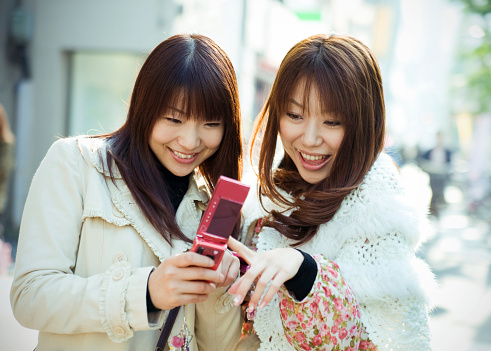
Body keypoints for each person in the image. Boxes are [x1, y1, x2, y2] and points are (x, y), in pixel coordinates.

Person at [10, 34, 244, 351]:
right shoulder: (76, 163)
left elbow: (218, 346)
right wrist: (145, 293)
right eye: (174, 118)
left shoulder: (217, 207)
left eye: (210, 124)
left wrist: (218, 288)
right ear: (144, 108)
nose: (190, 142)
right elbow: (30, 296)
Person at [227, 34, 436, 351]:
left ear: (364, 122)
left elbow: (376, 337)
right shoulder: (266, 193)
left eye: (332, 121)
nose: (309, 139)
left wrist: (304, 270)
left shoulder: (377, 204)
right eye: (295, 115)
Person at [420, 131, 452, 216]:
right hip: (433, 175)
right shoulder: (429, 151)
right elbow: (423, 162)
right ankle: (434, 210)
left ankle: (440, 209)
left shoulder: (447, 152)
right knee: (434, 192)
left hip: (442, 176)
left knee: (441, 192)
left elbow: (450, 164)